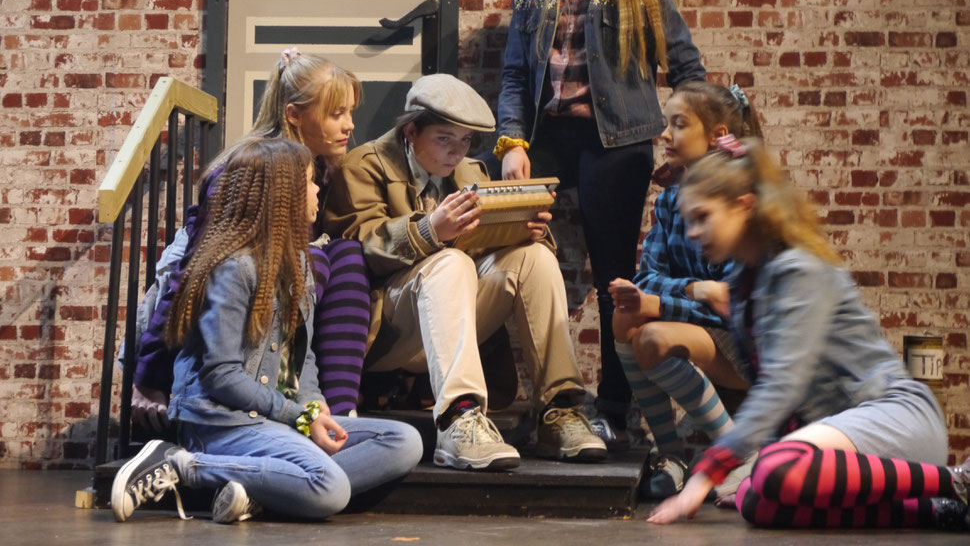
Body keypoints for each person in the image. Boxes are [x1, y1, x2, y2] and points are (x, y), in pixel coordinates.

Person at [646, 136, 969, 531]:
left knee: (772, 470)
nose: (693, 232)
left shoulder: (798, 269)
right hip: (836, 442)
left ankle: (955, 481)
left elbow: (781, 386)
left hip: (894, 418)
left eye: (702, 217)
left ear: (743, 206)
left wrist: (704, 475)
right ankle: (937, 512)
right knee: (755, 501)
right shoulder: (745, 281)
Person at [494, 0, 707, 447]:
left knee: (616, 274)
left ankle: (616, 404)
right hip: (546, 139)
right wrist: (512, 143)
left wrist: (692, 148)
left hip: (617, 144)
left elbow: (687, 69)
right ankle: (533, 399)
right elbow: (515, 76)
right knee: (519, 259)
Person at [111, 138, 423, 524]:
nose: (317, 190)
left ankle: (259, 491)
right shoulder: (234, 268)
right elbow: (220, 375)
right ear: (284, 196)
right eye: (309, 182)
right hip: (221, 421)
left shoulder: (301, 266)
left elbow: (301, 355)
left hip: (272, 419)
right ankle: (182, 465)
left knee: (404, 441)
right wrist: (298, 416)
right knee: (331, 488)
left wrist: (313, 405)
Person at [325, 73, 607, 471]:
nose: (456, 153)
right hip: (387, 328)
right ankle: (460, 419)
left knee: (536, 258)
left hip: (452, 318)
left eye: (465, 141)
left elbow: (492, 247)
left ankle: (558, 411)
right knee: (451, 261)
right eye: (444, 138)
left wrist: (526, 229)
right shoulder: (364, 166)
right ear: (410, 131)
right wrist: (429, 230)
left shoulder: (472, 173)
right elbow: (357, 249)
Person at [132, 48, 372, 429]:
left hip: (278, 310)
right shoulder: (246, 169)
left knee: (348, 253)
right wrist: (147, 377)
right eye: (336, 113)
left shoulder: (323, 168)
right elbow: (191, 269)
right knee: (319, 257)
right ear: (293, 114)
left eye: (350, 112)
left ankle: (341, 414)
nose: (349, 126)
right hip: (229, 308)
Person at [610, 82, 759, 500]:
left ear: (716, 134)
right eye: (666, 124)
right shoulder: (670, 199)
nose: (665, 135)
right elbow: (648, 277)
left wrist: (660, 304)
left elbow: (734, 306)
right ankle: (671, 455)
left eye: (679, 124)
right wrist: (698, 288)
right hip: (703, 325)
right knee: (625, 316)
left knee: (654, 335)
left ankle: (738, 452)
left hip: (747, 345)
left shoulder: (739, 201)